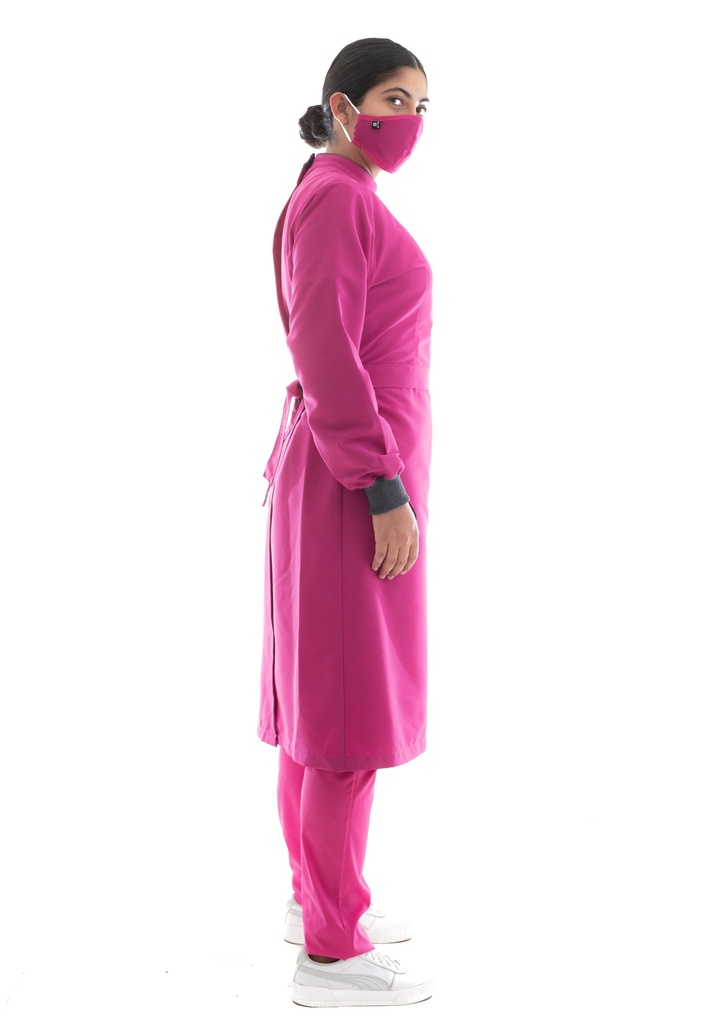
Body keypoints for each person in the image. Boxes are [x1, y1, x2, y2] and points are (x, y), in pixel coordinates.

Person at [258, 37, 435, 1007]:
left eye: (420, 105)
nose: (409, 120)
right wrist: (380, 487)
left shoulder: (340, 193)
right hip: (348, 478)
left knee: (319, 703)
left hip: (341, 467)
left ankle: (319, 898)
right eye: (392, 100)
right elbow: (324, 348)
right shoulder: (335, 198)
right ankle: (331, 953)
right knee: (344, 714)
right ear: (340, 106)